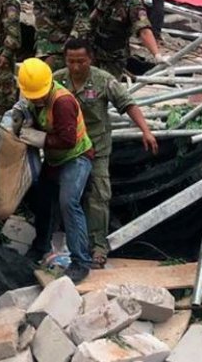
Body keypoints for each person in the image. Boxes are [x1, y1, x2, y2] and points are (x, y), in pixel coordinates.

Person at [53, 38, 158, 268]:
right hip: (67, 149)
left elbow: (128, 104)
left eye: (81, 61)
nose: (76, 67)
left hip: (96, 148)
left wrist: (146, 131)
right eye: (71, 61)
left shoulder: (103, 81)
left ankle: (98, 247)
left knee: (99, 196)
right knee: (64, 196)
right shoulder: (57, 80)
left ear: (90, 59)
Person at [16, 58, 94, 283]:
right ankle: (40, 245)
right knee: (42, 198)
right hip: (55, 159)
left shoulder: (63, 102)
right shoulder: (31, 95)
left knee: (68, 202)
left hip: (76, 156)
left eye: (37, 95)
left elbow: (68, 140)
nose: (35, 99)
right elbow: (26, 109)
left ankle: (81, 261)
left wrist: (41, 139)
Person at [91, 0, 167, 78]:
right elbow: (97, 11)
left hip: (112, 59)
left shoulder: (132, 0)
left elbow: (143, 30)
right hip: (94, 50)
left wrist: (157, 55)